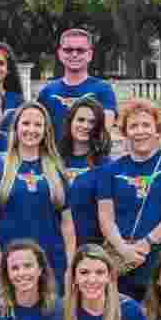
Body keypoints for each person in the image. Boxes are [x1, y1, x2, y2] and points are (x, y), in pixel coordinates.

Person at [97, 99, 161, 301]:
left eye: (146, 125)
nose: (140, 131)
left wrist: (147, 243)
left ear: (158, 130)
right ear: (124, 132)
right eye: (133, 126)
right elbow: (106, 218)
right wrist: (124, 249)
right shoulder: (110, 170)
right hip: (124, 262)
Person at [0, 102, 75, 293]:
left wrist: (70, 265)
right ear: (16, 127)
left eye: (38, 125)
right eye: (26, 123)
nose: (31, 129)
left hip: (51, 263)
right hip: (10, 264)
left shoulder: (55, 168)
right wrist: (0, 264)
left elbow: (67, 225)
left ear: (46, 130)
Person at [37, 28, 117, 140]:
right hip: (56, 156)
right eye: (68, 50)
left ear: (89, 54)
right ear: (60, 54)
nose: (74, 54)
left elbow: (104, 132)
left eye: (80, 50)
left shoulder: (103, 90)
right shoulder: (47, 92)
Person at [59, 96, 112, 248]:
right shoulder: (53, 159)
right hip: (55, 246)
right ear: (70, 122)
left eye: (92, 122)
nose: (85, 126)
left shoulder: (104, 165)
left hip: (90, 249)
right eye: (80, 120)